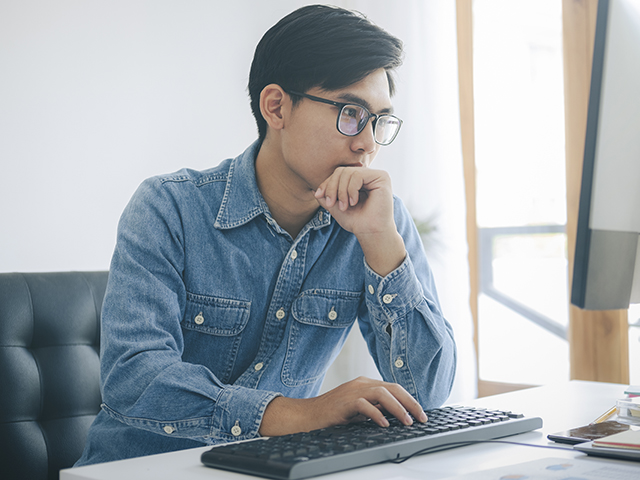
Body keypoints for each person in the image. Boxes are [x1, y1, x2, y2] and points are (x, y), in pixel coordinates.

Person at [76, 4, 456, 466]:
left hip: (275, 472)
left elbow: (429, 394)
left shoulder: (378, 219)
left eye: (379, 121)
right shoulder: (168, 207)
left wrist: (381, 244)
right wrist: (302, 414)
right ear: (276, 106)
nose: (367, 143)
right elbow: (134, 378)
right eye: (351, 113)